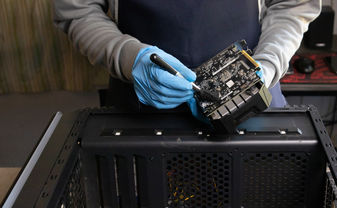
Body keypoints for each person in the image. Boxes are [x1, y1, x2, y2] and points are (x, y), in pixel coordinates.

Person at [53, 0, 321, 119]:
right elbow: (78, 11)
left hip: (250, 98)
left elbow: (292, 5)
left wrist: (269, 63)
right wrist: (127, 58)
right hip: (142, 104)